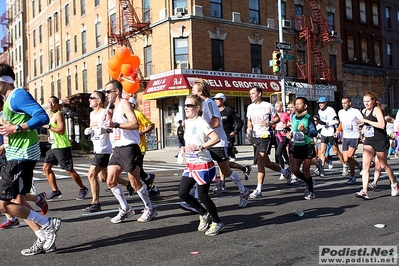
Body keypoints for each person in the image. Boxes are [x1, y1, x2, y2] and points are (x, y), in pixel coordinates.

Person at [0, 63, 61, 255]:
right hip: (15, 153)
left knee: (4, 204)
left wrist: (16, 129)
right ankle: (43, 238)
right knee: (18, 201)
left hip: (22, 155)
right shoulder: (9, 99)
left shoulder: (18, 95)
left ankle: (47, 224)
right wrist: (5, 144)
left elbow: (42, 117)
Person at [190, 79, 250, 208]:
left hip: (217, 142)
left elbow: (216, 122)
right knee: (198, 166)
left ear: (200, 91)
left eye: (193, 89)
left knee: (226, 170)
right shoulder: (201, 104)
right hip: (207, 142)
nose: (191, 91)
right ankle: (195, 197)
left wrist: (203, 129)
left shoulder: (209, 103)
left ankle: (243, 191)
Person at [104, 80, 157, 223]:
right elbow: (115, 128)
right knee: (110, 180)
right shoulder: (113, 108)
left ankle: (150, 209)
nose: (106, 95)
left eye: (108, 91)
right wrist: (107, 124)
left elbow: (135, 124)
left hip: (129, 148)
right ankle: (125, 208)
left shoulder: (125, 104)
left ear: (117, 91)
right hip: (118, 148)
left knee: (134, 182)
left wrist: (115, 124)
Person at [177, 94, 225, 236]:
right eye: (185, 105)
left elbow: (215, 138)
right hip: (191, 164)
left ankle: (218, 222)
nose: (186, 108)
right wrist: (183, 149)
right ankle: (203, 213)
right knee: (182, 193)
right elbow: (189, 141)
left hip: (203, 164)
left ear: (197, 107)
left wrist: (201, 147)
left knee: (203, 196)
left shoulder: (202, 122)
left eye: (189, 105)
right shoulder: (186, 122)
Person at [246, 86, 291, 198]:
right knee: (266, 163)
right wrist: (249, 129)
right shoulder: (250, 107)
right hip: (255, 136)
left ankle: (258, 190)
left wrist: (270, 123)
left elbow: (277, 118)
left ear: (259, 94)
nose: (251, 95)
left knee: (260, 162)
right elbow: (249, 121)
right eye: (250, 93)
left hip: (265, 135)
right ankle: (285, 172)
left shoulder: (268, 106)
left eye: (253, 93)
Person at [43, 96, 89, 201]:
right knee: (46, 168)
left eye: (53, 102)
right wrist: (50, 136)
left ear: (57, 104)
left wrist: (49, 127)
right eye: (49, 102)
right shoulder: (51, 114)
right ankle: (55, 191)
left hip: (62, 146)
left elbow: (61, 130)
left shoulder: (59, 114)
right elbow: (52, 130)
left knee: (69, 170)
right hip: (54, 146)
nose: (50, 105)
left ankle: (82, 188)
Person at [355, 91, 399, 199]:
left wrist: (366, 121)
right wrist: (362, 127)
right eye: (364, 101)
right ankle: (364, 190)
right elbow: (368, 126)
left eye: (368, 101)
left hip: (380, 140)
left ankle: (394, 184)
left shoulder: (376, 110)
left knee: (383, 165)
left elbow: (381, 125)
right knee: (365, 166)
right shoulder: (364, 111)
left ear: (373, 101)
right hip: (369, 140)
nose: (366, 103)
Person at [212, 93, 251, 193]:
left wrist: (235, 131)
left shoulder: (229, 111)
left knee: (222, 162)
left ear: (223, 100)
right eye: (214, 99)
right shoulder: (214, 111)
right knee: (224, 163)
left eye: (218, 99)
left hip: (227, 139)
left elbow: (240, 122)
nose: (215, 101)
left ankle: (222, 185)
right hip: (217, 140)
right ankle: (244, 168)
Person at [82, 91, 113, 212]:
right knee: (103, 178)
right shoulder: (92, 114)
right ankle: (128, 185)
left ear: (99, 100)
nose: (89, 100)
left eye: (92, 98)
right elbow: (92, 127)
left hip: (104, 148)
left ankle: (95, 203)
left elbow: (112, 128)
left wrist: (104, 130)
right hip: (96, 147)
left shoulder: (106, 112)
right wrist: (89, 130)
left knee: (91, 175)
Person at [128, 97, 160, 198]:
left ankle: (151, 187)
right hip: (130, 147)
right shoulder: (125, 115)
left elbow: (151, 125)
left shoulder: (138, 114)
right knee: (137, 170)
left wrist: (141, 132)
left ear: (132, 105)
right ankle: (152, 186)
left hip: (140, 147)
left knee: (138, 170)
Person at [287, 97, 318, 199]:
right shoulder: (294, 117)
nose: (297, 106)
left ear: (305, 106)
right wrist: (290, 134)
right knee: (295, 170)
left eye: (299, 104)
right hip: (297, 146)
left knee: (305, 171)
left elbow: (314, 132)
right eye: (296, 104)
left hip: (307, 146)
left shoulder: (308, 118)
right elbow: (295, 131)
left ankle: (310, 189)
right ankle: (309, 181)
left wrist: (304, 130)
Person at [337, 97, 363, 185]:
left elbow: (361, 120)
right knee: (346, 159)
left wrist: (361, 127)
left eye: (345, 103)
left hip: (354, 136)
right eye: (342, 103)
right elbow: (341, 123)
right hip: (346, 137)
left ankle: (352, 176)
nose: (344, 105)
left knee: (349, 156)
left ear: (350, 103)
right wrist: (338, 131)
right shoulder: (340, 112)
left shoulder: (355, 111)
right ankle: (359, 165)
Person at [316, 97, 345, 177]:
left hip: (331, 132)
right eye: (319, 103)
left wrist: (326, 123)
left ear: (325, 103)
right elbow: (320, 122)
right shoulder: (319, 111)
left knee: (336, 151)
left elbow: (336, 121)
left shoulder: (330, 110)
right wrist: (318, 129)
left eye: (322, 103)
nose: (320, 104)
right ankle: (321, 169)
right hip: (324, 133)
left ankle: (344, 165)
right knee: (322, 151)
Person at [274, 101, 290, 181]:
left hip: (284, 135)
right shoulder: (274, 115)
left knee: (278, 153)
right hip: (277, 134)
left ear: (281, 107)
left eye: (278, 106)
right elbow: (273, 124)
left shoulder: (285, 114)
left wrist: (287, 126)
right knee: (284, 153)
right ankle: (291, 167)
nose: (276, 108)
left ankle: (283, 171)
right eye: (275, 106)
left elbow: (290, 123)